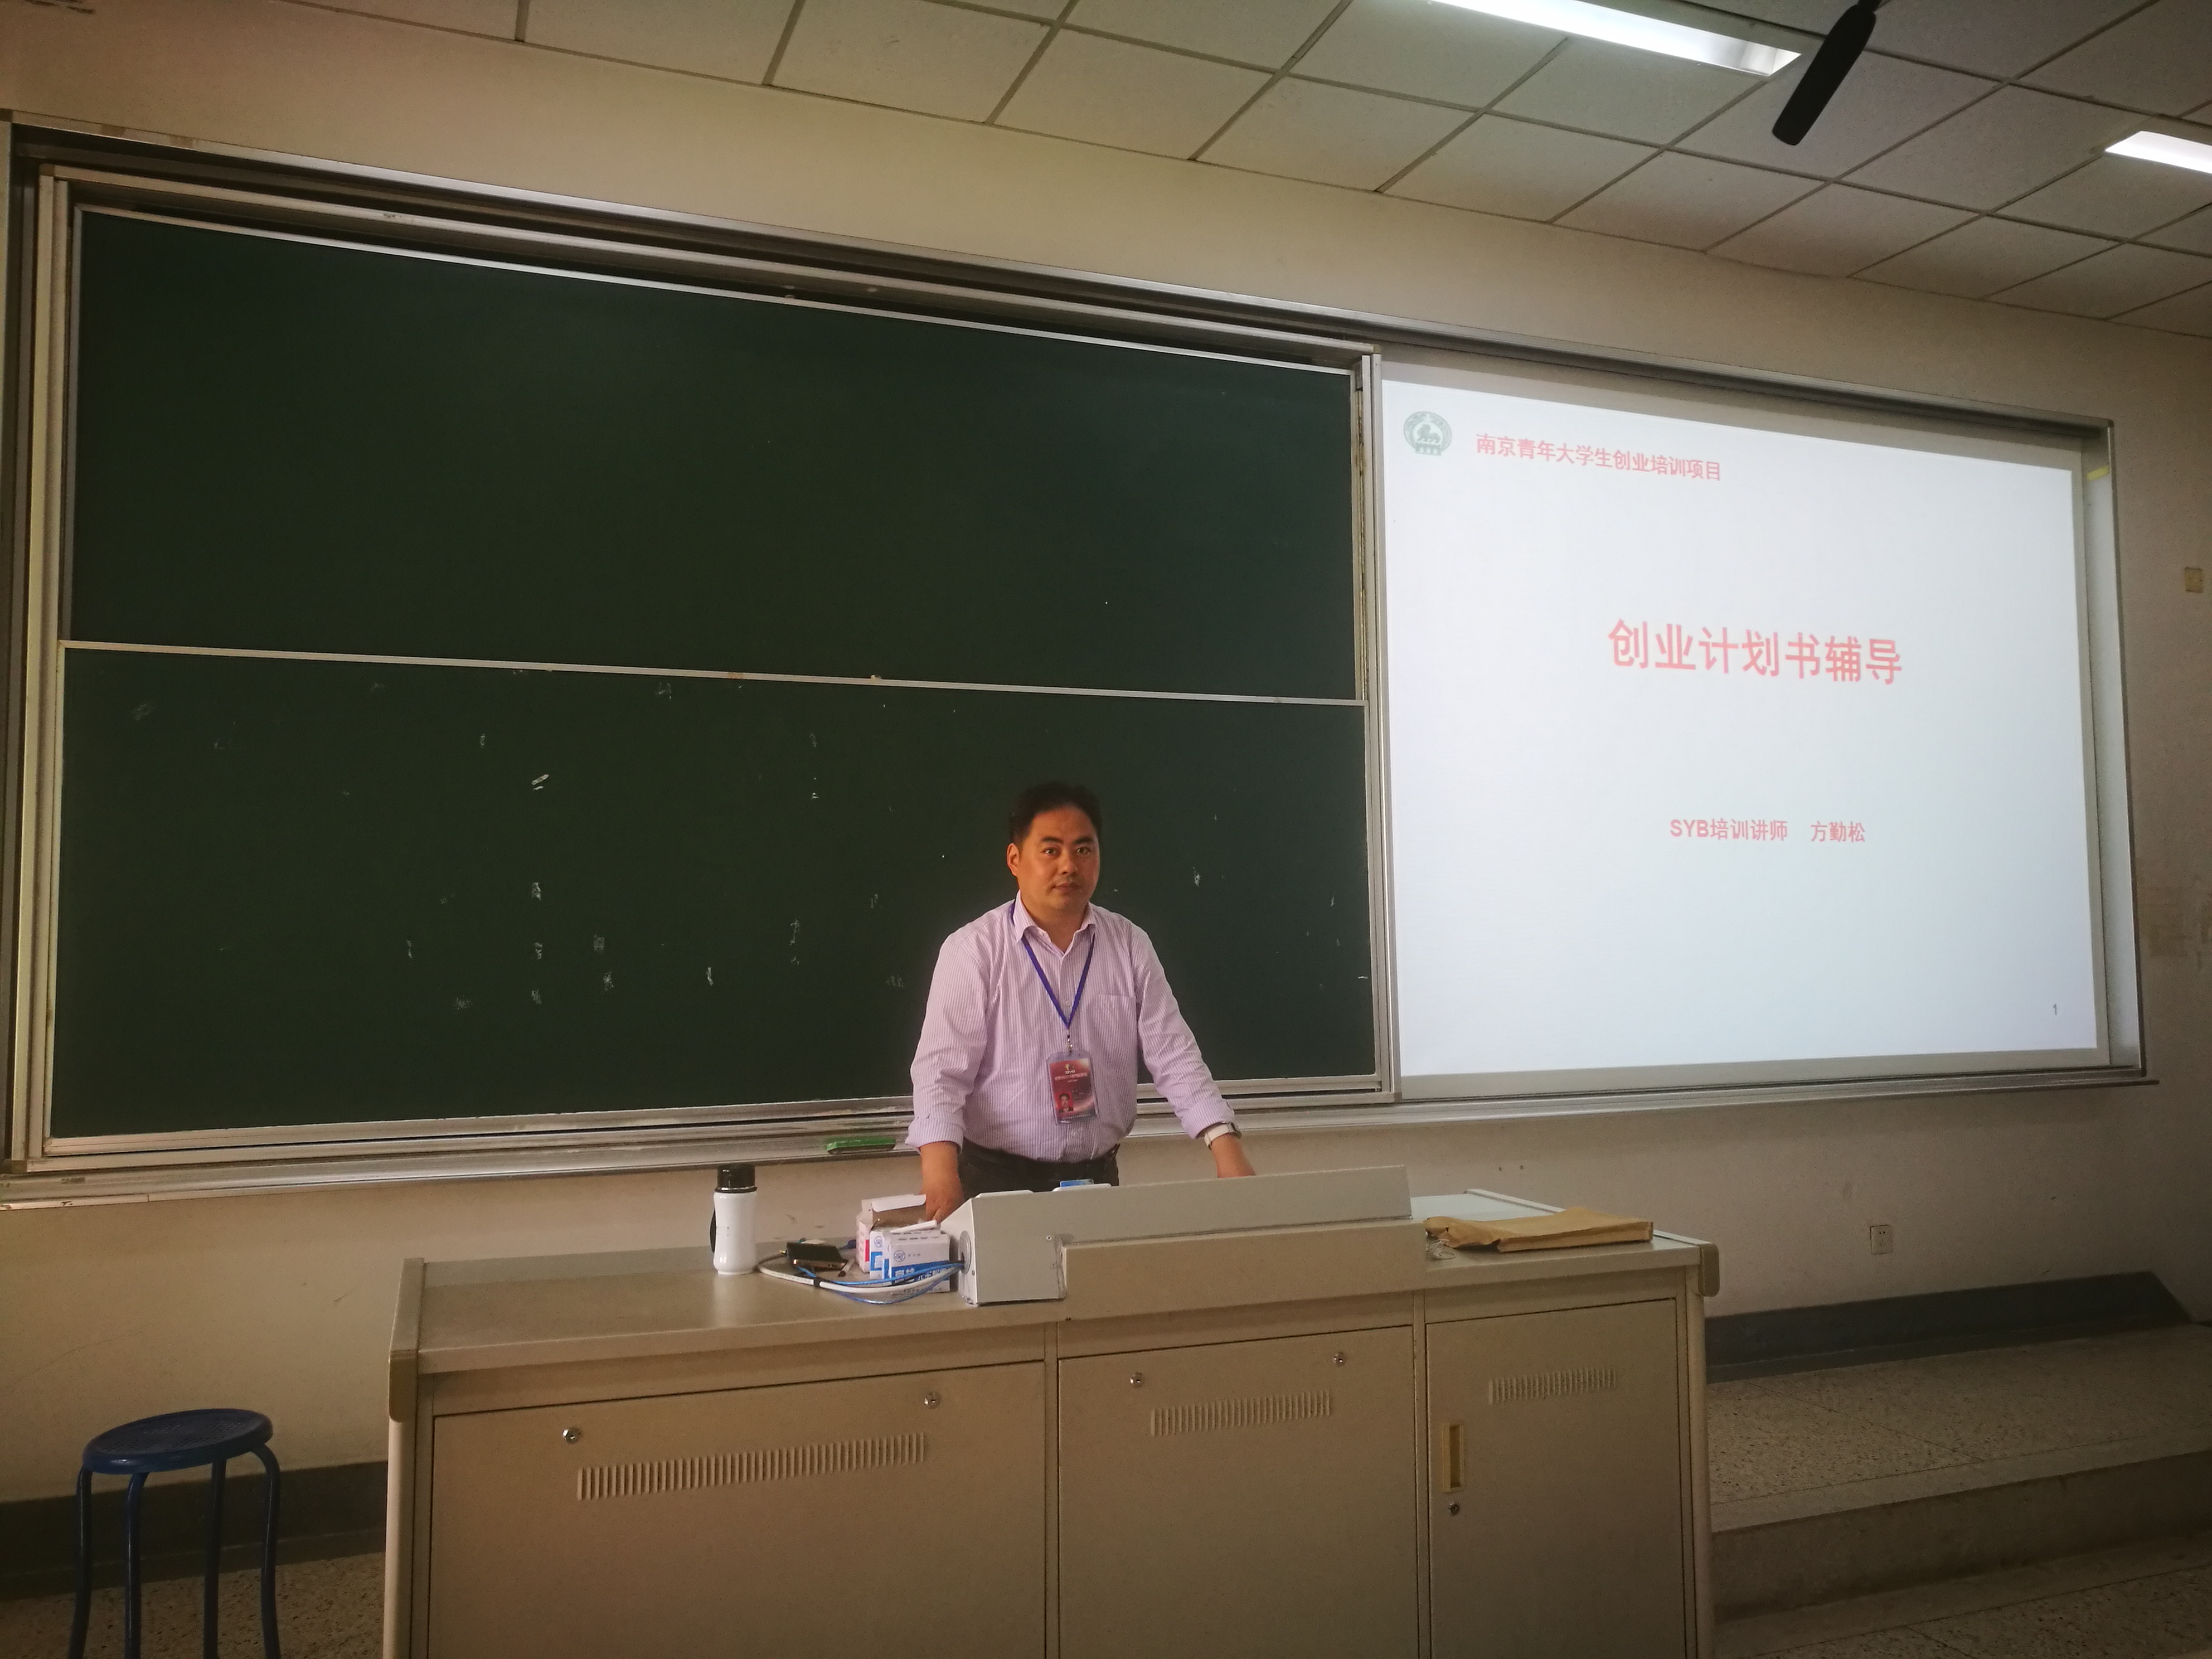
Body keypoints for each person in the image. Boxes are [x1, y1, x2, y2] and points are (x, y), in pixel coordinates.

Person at [908, 780, 1254, 1221]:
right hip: (996, 1183)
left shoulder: (1128, 944)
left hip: (1098, 1180)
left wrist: (1226, 1148)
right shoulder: (973, 951)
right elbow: (941, 1074)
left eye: (1084, 850)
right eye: (1050, 850)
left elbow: (1174, 1054)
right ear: (1015, 860)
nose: (1069, 866)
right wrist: (940, 1176)